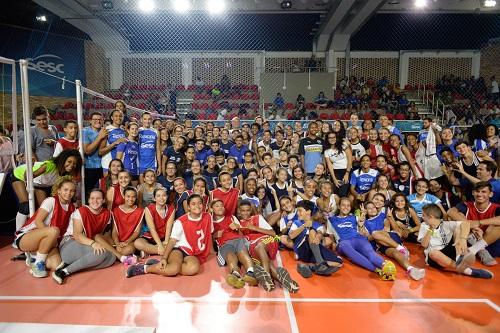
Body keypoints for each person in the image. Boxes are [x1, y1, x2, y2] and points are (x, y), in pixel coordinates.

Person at [126, 194, 213, 278]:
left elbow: (209, 234)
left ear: (203, 204)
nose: (197, 205)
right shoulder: (181, 222)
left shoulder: (208, 217)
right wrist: (164, 258)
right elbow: (172, 241)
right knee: (173, 270)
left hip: (193, 253)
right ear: (188, 207)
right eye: (193, 204)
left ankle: (162, 264)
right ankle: (145, 268)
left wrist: (211, 251)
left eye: (199, 203)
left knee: (193, 269)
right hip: (179, 249)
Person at [13, 177, 76, 278]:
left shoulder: (72, 208)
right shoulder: (51, 201)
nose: (68, 193)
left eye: (72, 190)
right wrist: (53, 235)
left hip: (49, 239)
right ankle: (39, 263)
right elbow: (38, 221)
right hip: (27, 237)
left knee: (56, 265)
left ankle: (33, 257)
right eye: (65, 189)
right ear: (59, 190)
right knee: (54, 230)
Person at [53, 189, 115, 284]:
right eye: (92, 198)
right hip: (70, 244)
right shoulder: (81, 211)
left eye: (98, 198)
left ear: (103, 200)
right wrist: (94, 243)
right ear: (89, 200)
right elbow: (77, 235)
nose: (95, 201)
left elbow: (104, 234)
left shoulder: (107, 213)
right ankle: (62, 272)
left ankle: (71, 266)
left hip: (86, 247)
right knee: (102, 254)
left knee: (111, 258)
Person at [326, 198, 397, 280]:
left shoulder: (355, 217)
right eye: (343, 205)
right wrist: (333, 244)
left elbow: (363, 233)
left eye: (348, 205)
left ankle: (384, 265)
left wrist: (360, 225)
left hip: (358, 239)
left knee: (369, 252)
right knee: (345, 246)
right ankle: (376, 270)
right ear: (339, 206)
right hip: (344, 242)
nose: (346, 207)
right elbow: (331, 236)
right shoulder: (331, 220)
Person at [418, 204, 493, 279]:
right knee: (433, 253)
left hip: (451, 251)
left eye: (423, 215)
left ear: (430, 217)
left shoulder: (445, 223)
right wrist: (430, 229)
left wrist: (463, 240)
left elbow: (466, 224)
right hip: (436, 257)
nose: (422, 217)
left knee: (458, 229)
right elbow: (424, 245)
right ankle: (468, 271)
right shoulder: (424, 226)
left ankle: (459, 257)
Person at [12, 149, 82, 230]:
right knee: (25, 205)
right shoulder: (50, 165)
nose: (71, 165)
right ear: (63, 160)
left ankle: (41, 230)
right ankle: (18, 232)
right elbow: (27, 177)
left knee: (46, 209)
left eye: (74, 164)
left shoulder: (66, 173)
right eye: (69, 161)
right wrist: (30, 165)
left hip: (40, 185)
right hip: (21, 175)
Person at [237, 200, 297, 292]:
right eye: (243, 211)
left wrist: (254, 228)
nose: (245, 213)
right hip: (253, 248)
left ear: (251, 210)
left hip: (267, 241)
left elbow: (273, 233)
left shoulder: (257, 218)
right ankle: (286, 282)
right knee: (268, 263)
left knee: (259, 246)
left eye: (248, 210)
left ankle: (267, 277)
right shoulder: (238, 224)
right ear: (239, 211)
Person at [361, 202, 425, 281]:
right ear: (365, 211)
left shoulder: (382, 216)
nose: (372, 209)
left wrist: (377, 235)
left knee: (375, 233)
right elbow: (367, 238)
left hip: (391, 237)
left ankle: (401, 248)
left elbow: (387, 229)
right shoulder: (364, 222)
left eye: (373, 207)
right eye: (369, 208)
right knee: (395, 253)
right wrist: (375, 236)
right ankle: (412, 270)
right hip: (381, 246)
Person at [448, 181, 500, 266]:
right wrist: (471, 226)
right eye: (477, 191)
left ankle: (476, 248)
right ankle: (477, 249)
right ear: (473, 193)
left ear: (490, 194)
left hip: (488, 243)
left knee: (498, 225)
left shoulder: (496, 207)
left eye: (483, 192)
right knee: (456, 217)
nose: (479, 194)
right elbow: (450, 212)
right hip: (469, 240)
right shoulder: (467, 205)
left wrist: (478, 223)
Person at [211, 199, 258, 289]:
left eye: (221, 205)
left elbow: (242, 230)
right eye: (217, 206)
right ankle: (235, 274)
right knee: (230, 256)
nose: (220, 207)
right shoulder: (211, 222)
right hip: (224, 244)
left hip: (238, 240)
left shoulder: (231, 217)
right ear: (212, 209)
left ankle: (251, 273)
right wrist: (214, 235)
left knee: (242, 253)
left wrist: (237, 227)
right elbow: (208, 239)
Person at [292, 200, 343, 278]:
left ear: (308, 211)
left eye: (300, 210)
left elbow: (320, 232)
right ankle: (320, 263)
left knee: (339, 262)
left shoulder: (318, 224)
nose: (298, 213)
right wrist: (304, 226)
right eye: (297, 211)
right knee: (312, 231)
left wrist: (319, 236)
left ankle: (312, 267)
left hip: (315, 250)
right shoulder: (296, 222)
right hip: (302, 250)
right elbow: (291, 236)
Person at [97, 187, 143, 264]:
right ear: (124, 196)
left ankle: (113, 255)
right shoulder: (116, 210)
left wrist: (127, 242)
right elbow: (114, 231)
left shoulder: (140, 211)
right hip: (115, 240)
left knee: (129, 250)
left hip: (130, 241)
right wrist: (117, 244)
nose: (131, 199)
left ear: (136, 198)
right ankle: (121, 256)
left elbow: (137, 232)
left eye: (133, 197)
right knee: (97, 237)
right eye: (128, 196)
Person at [134, 187, 175, 257]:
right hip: (152, 236)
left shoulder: (171, 209)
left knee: (176, 242)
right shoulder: (148, 209)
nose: (161, 198)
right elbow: (152, 229)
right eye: (158, 196)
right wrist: (160, 246)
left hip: (165, 237)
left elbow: (169, 228)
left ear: (167, 197)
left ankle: (149, 251)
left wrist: (166, 242)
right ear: (154, 198)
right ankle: (162, 251)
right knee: (137, 243)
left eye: (164, 195)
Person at [83, 112, 107, 196]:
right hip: (89, 167)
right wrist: (99, 137)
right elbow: (87, 151)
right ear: (90, 121)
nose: (98, 121)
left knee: (101, 193)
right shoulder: (85, 131)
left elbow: (102, 151)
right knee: (90, 193)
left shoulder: (104, 131)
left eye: (100, 119)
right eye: (95, 119)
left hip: (102, 167)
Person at [324, 131, 352, 197]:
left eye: (334, 137)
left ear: (336, 138)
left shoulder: (343, 145)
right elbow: (330, 165)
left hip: (346, 170)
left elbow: (350, 159)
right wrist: (334, 179)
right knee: (336, 193)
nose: (332, 139)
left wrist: (347, 173)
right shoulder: (327, 151)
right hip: (335, 172)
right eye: (330, 138)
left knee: (343, 193)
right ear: (327, 139)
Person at [99, 110, 127, 176]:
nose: (118, 118)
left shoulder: (124, 131)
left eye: (120, 116)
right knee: (108, 184)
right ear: (112, 118)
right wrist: (115, 142)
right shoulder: (106, 130)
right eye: (116, 116)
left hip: (121, 165)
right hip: (108, 164)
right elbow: (100, 152)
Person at [138, 112, 161, 182]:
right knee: (142, 186)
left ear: (151, 120)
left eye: (149, 119)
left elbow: (158, 149)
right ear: (141, 120)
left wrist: (159, 165)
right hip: (140, 162)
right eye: (145, 119)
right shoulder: (138, 131)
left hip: (152, 162)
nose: (147, 121)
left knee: (152, 185)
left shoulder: (156, 131)